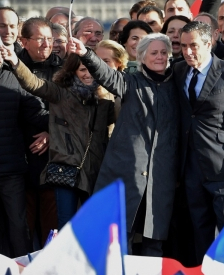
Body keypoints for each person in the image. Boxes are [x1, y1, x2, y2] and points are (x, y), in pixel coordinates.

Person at [68, 33, 180, 257]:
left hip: (162, 175)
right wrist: (85, 54)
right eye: (154, 53)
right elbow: (107, 75)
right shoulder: (130, 81)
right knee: (120, 236)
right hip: (126, 172)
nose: (159, 57)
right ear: (141, 57)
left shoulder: (177, 83)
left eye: (163, 52)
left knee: (154, 236)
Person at [1, 45, 115, 230]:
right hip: (65, 168)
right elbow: (34, 84)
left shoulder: (105, 100)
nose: (87, 74)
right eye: (82, 70)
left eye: (91, 69)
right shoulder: (61, 93)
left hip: (94, 170)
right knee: (65, 225)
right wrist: (15, 62)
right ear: (73, 71)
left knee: (93, 225)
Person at [173, 21, 224, 264]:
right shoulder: (178, 71)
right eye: (184, 46)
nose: (188, 52)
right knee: (199, 228)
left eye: (194, 46)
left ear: (209, 44)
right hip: (191, 165)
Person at [0, 31, 48, 256]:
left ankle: (22, 274)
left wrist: (56, 126)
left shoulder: (14, 78)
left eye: (2, 53)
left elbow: (36, 112)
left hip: (11, 168)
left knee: (18, 227)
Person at [20, 17, 63, 245]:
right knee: (22, 231)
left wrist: (50, 133)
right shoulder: (12, 68)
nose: (47, 44)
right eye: (40, 39)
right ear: (24, 41)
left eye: (50, 39)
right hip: (20, 159)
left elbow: (70, 111)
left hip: (52, 159)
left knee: (51, 231)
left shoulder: (63, 68)